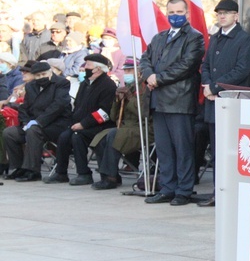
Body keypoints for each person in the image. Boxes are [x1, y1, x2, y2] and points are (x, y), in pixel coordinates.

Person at [140, 0, 205, 206]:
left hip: (180, 100)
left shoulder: (194, 38)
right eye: (171, 12)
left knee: (182, 148)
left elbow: (186, 66)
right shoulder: (159, 37)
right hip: (158, 101)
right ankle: (167, 188)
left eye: (179, 12)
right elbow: (145, 59)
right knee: (164, 148)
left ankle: (184, 190)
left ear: (186, 14)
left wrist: (158, 79)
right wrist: (149, 75)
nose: (174, 16)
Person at [199, 0, 250, 207]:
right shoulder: (215, 38)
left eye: (227, 13)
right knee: (216, 150)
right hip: (213, 102)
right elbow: (205, 65)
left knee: (231, 150)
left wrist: (215, 87)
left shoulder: (244, 39)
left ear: (236, 16)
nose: (222, 16)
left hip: (231, 101)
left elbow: (242, 70)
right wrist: (206, 85)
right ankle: (218, 191)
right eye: (219, 13)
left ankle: (232, 193)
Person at [43, 54, 117, 186]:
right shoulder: (85, 84)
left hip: (100, 125)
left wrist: (84, 124)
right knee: (64, 137)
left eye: (88, 65)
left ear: (98, 69)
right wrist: (74, 122)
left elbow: (105, 112)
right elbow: (78, 106)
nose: (84, 68)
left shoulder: (108, 85)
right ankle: (61, 172)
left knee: (78, 137)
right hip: (80, 123)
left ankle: (84, 174)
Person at [3, 62, 72, 182]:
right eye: (37, 75)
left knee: (33, 131)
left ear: (50, 71)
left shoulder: (62, 83)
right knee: (9, 133)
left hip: (56, 123)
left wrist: (38, 121)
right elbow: (25, 107)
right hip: (33, 124)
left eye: (43, 74)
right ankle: (18, 167)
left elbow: (58, 106)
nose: (41, 78)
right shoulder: (31, 86)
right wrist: (25, 123)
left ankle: (33, 170)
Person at [90, 58, 152, 190]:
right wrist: (117, 101)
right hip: (126, 127)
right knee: (99, 138)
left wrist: (130, 99)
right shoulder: (128, 87)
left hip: (144, 127)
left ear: (139, 72)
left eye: (129, 70)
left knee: (114, 135)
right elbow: (114, 117)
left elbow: (144, 113)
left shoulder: (146, 88)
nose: (126, 73)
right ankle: (107, 175)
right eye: (125, 70)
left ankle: (110, 177)